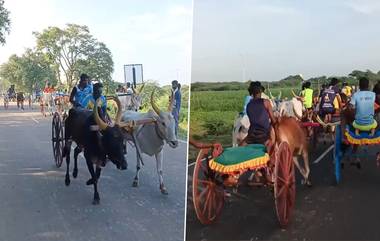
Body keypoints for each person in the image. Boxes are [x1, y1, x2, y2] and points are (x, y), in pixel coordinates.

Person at [245, 81, 276, 145]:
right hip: (264, 135)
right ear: (260, 91)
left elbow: (253, 121)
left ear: (252, 92)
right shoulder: (266, 102)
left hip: (251, 135)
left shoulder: (248, 105)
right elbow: (273, 120)